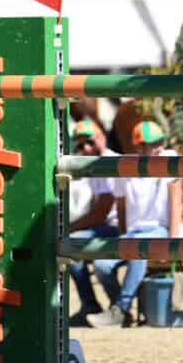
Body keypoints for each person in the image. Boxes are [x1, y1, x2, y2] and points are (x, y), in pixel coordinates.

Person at [87, 120, 183, 327]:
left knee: (138, 249)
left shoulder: (169, 158)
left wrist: (173, 241)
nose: (159, 147)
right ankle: (121, 309)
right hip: (134, 233)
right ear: (139, 147)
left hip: (161, 230)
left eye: (160, 142)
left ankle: (120, 310)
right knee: (101, 265)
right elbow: (121, 206)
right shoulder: (126, 165)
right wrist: (123, 236)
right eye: (153, 144)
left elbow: (177, 203)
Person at [66, 119, 120, 325]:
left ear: (102, 138)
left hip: (118, 228)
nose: (86, 149)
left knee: (70, 244)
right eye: (80, 146)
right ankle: (93, 305)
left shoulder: (108, 163)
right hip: (107, 227)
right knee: (70, 245)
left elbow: (101, 212)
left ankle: (114, 307)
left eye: (90, 142)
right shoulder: (95, 164)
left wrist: (68, 227)